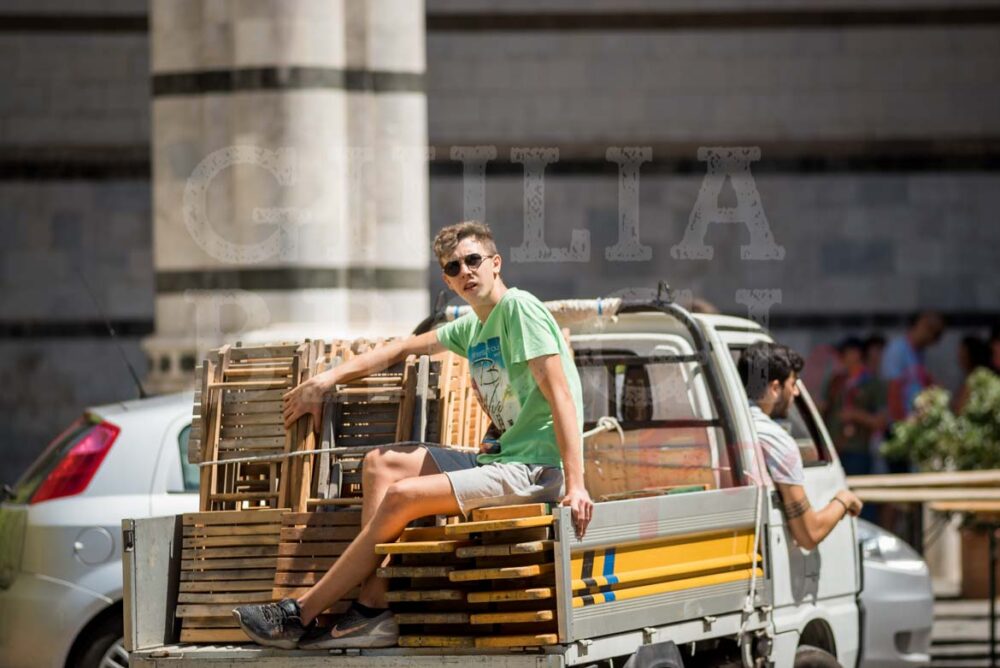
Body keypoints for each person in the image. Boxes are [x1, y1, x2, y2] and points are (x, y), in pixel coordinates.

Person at [232, 221, 593, 649]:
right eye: (454, 267)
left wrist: (576, 485)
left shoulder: (519, 308)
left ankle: (300, 613)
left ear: (495, 263)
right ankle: (373, 608)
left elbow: (561, 396)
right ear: (447, 280)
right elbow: (402, 348)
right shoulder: (473, 328)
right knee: (381, 465)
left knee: (403, 496)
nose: (465, 271)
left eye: (473, 260)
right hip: (501, 461)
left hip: (536, 470)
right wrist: (325, 381)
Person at [739, 342, 862, 550]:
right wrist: (844, 499)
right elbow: (809, 534)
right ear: (775, 388)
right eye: (793, 384)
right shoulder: (775, 438)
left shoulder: (735, 425)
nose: (795, 392)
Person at [881, 312, 945, 471]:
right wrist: (901, 425)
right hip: (899, 428)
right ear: (922, 324)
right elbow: (893, 390)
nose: (933, 338)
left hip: (913, 427)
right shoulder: (898, 350)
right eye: (933, 331)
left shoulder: (919, 353)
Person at [821, 337, 886, 477]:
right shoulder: (836, 381)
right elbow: (825, 409)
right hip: (833, 448)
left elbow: (880, 421)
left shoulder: (872, 384)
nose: (841, 359)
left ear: (856, 355)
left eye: (844, 354)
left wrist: (856, 415)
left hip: (858, 451)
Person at [953, 335, 991, 413]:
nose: (959, 356)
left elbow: (959, 409)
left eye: (963, 352)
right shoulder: (972, 376)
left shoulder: (974, 379)